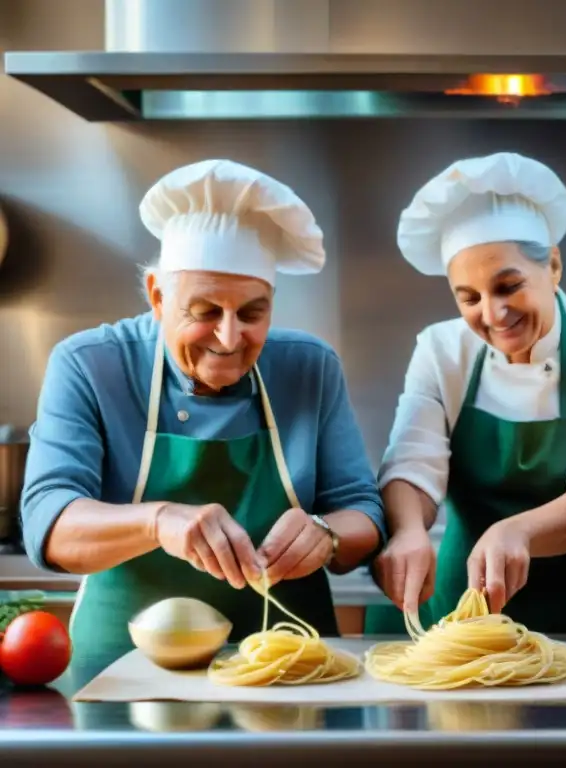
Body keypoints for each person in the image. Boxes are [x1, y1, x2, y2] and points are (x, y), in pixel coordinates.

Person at [20, 159, 386, 670]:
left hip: (291, 673)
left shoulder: (309, 367)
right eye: (205, 312)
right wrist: (159, 521)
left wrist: (326, 535)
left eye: (252, 313)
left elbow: (363, 512)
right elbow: (49, 523)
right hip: (123, 670)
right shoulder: (91, 364)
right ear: (157, 296)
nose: (230, 338)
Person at [363, 151, 566, 635]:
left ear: (553, 265)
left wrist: (515, 531)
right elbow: (413, 462)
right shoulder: (441, 350)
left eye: (508, 286)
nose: (493, 315)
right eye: (469, 297)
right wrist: (410, 530)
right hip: (462, 604)